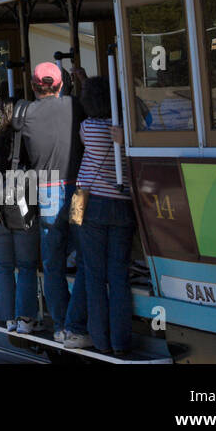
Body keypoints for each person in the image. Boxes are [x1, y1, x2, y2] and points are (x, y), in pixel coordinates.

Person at [14, 61, 84, 342]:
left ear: (34, 86)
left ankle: (61, 325)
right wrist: (84, 80)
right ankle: (79, 323)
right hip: (79, 192)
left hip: (47, 193)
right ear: (60, 84)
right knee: (84, 257)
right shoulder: (75, 106)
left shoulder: (26, 113)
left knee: (52, 264)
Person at [65, 76, 134, 356]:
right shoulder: (125, 131)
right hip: (120, 200)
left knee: (92, 272)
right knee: (118, 275)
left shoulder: (86, 127)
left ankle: (98, 339)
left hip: (83, 198)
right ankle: (120, 341)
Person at [0, 97, 41, 333]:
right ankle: (26, 319)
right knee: (26, 266)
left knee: (3, 266)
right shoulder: (30, 142)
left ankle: (8, 318)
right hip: (23, 211)